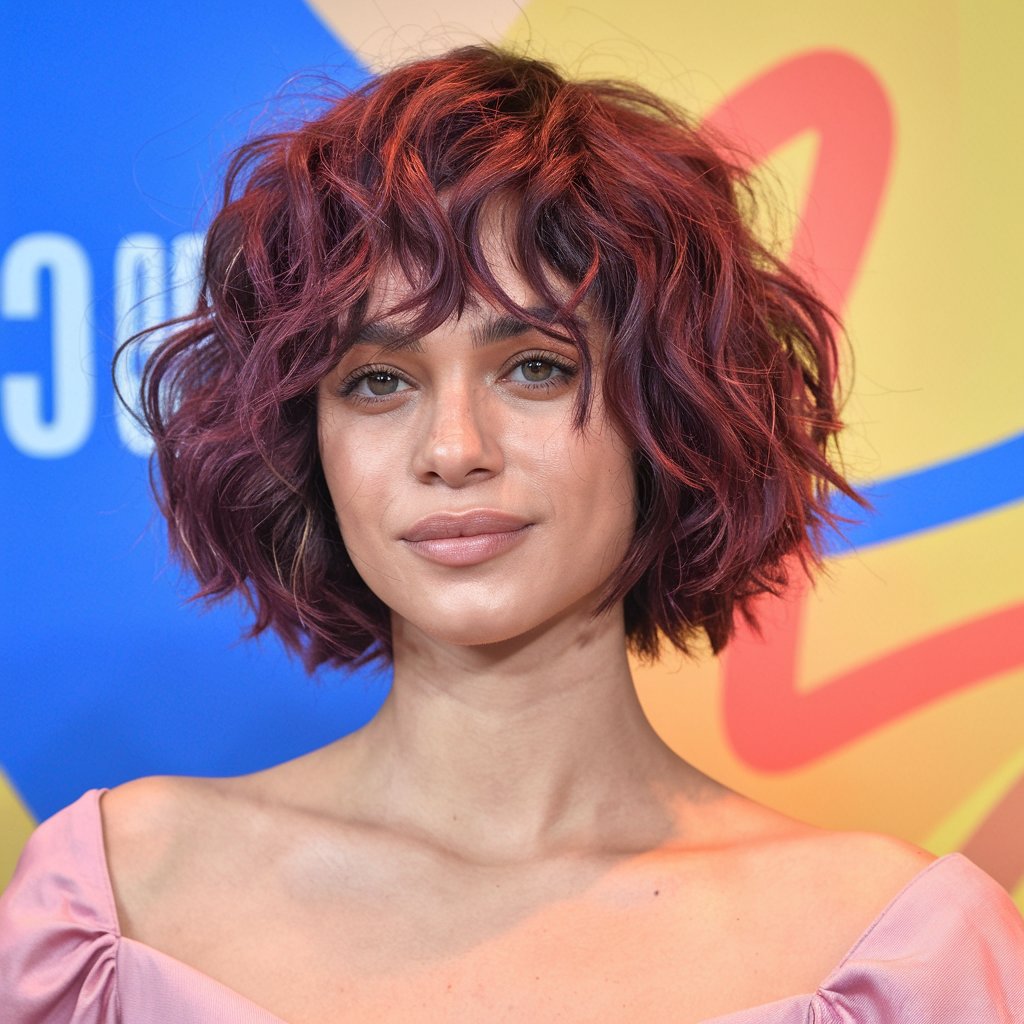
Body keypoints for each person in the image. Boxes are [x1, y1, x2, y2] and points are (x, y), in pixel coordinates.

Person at [1, 44, 1022, 1024]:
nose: (452, 449)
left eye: (535, 366)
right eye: (377, 380)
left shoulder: (889, 955)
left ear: (667, 415)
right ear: (303, 443)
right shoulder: (116, 902)